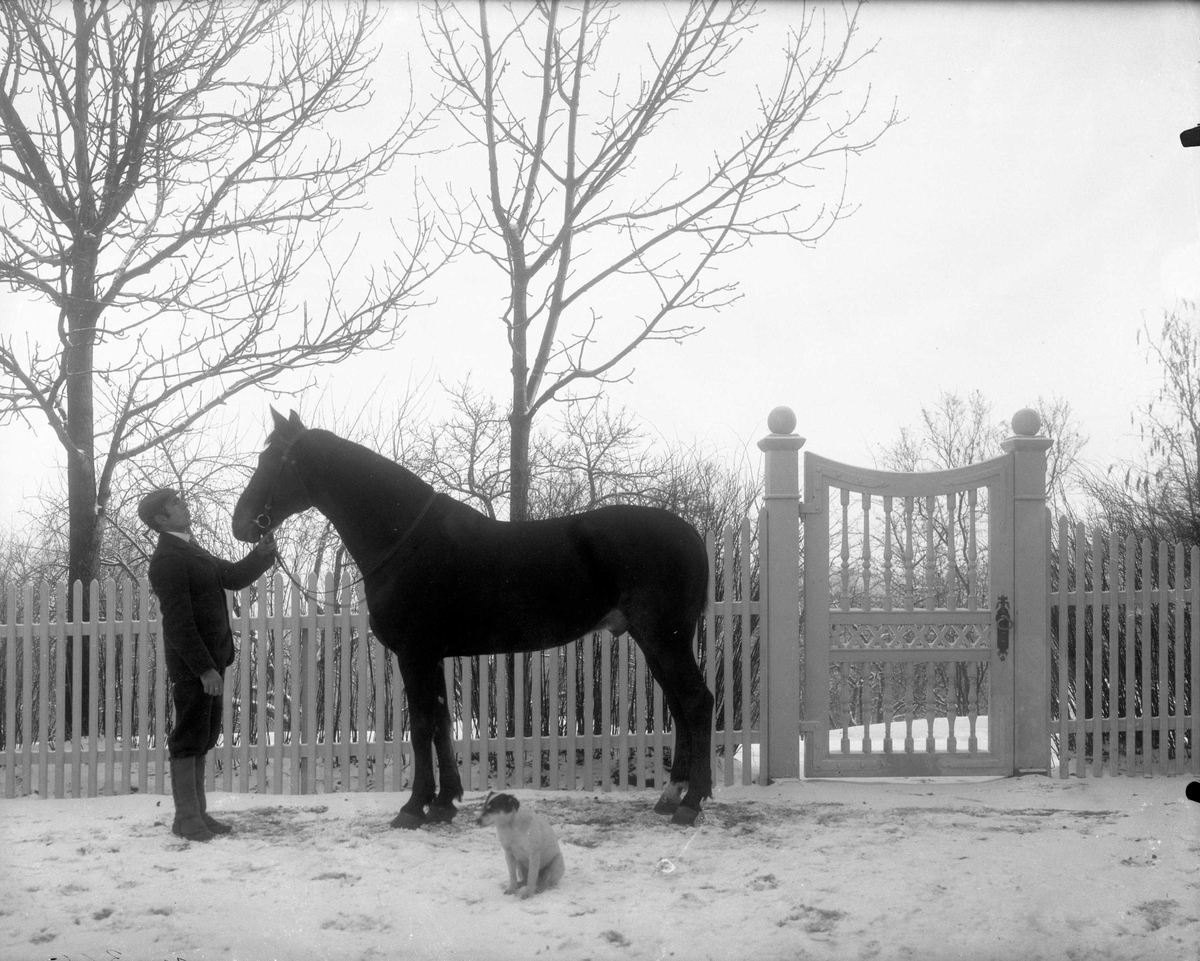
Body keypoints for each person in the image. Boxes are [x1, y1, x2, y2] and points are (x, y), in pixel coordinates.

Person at [139, 487, 277, 842]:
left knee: (203, 734)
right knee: (189, 736)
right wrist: (203, 668)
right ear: (161, 519)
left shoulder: (189, 548)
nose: (185, 505)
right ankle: (187, 817)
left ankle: (195, 814)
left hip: (212, 660)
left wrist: (260, 556)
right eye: (176, 504)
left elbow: (231, 576)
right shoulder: (168, 559)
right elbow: (178, 623)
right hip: (194, 666)